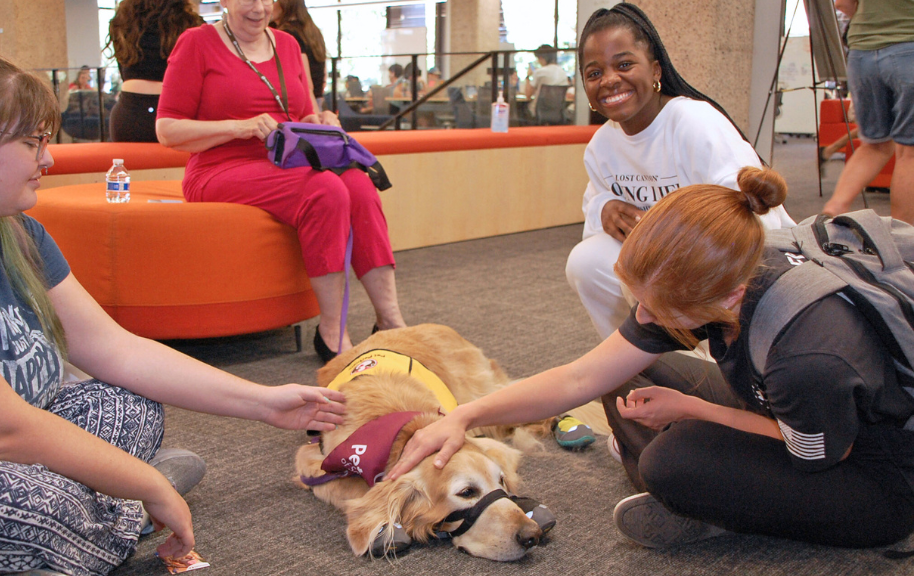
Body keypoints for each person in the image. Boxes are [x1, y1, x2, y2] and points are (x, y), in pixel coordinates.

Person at [0, 45, 345, 574]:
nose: (49, 158)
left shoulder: (14, 231)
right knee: (42, 509)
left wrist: (263, 402)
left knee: (129, 408)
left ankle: (92, 511)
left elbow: (115, 349)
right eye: (33, 141)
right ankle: (112, 512)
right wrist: (146, 482)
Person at [391, 166, 914, 551]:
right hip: (788, 406)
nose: (642, 313)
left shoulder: (809, 355)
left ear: (725, 297)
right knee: (628, 373)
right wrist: (465, 415)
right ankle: (709, 494)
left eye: (658, 306)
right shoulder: (727, 259)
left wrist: (693, 409)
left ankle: (702, 498)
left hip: (873, 470)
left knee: (673, 462)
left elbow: (819, 453)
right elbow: (580, 375)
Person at [155, 0, 406, 363]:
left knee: (361, 186)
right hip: (219, 168)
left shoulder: (287, 44)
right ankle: (333, 331)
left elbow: (299, 115)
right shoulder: (196, 43)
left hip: (288, 162)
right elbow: (167, 130)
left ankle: (390, 321)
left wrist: (320, 118)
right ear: (224, 0)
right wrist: (239, 127)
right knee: (326, 189)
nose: (258, 8)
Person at [564, 3, 794, 339]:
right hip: (673, 261)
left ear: (655, 71)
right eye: (594, 73)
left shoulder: (694, 123)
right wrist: (605, 208)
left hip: (741, 261)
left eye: (624, 64)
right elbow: (594, 207)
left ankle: (720, 368)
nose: (610, 80)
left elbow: (757, 219)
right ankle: (637, 368)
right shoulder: (602, 145)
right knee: (586, 262)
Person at [821, 0, 914, 223]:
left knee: (875, 146)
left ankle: (831, 212)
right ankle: (905, 242)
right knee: (909, 153)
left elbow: (842, 3)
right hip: (908, 47)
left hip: (862, 53)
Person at [105, 0, 203, 143]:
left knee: (128, 164)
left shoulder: (120, 22)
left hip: (128, 110)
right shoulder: (191, 22)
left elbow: (123, 65)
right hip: (174, 110)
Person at [271, 0, 328, 103]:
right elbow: (324, 73)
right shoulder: (312, 30)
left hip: (306, 101)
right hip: (317, 97)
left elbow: (305, 81)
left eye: (274, 1)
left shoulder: (287, 35)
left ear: (285, 4)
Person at [524, 44, 567, 116]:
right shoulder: (562, 72)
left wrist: (528, 76)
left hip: (539, 112)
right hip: (557, 112)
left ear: (541, 58)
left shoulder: (539, 72)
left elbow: (528, 95)